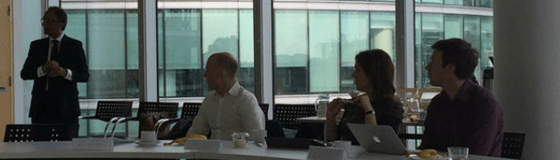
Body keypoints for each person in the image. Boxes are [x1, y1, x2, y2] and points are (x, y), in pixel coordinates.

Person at [419, 38, 503, 156]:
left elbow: (475, 155)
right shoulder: (438, 103)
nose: (427, 67)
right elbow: (427, 149)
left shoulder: (484, 104)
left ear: (450, 68)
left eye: (432, 62)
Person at [20, 7, 89, 137]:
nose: (44, 24)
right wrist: (42, 70)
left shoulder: (75, 46)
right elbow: (25, 74)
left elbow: (84, 75)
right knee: (40, 150)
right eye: (43, 20)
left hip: (67, 108)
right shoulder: (37, 46)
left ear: (60, 24)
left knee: (67, 151)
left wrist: (63, 72)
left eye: (49, 21)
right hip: (41, 107)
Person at [326, 49, 403, 144]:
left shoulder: (391, 107)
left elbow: (377, 143)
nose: (353, 75)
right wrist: (331, 117)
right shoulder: (354, 104)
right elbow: (334, 140)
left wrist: (368, 111)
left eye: (358, 70)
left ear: (372, 74)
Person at [186, 52, 265, 140]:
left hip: (238, 152)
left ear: (222, 74)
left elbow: (257, 140)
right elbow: (195, 132)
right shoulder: (209, 99)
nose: (205, 75)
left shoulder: (246, 100)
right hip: (212, 152)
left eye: (208, 70)